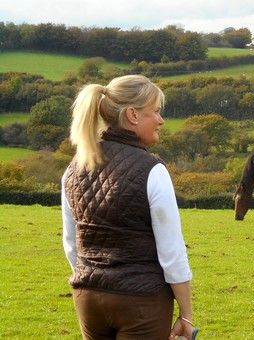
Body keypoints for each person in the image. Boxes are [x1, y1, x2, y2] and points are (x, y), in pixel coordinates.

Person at [61, 75, 196, 339]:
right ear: (133, 115)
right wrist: (187, 313)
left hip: (88, 297)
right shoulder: (152, 170)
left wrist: (92, 278)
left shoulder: (74, 167)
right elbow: (172, 252)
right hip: (141, 301)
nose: (161, 120)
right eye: (155, 112)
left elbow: (71, 244)